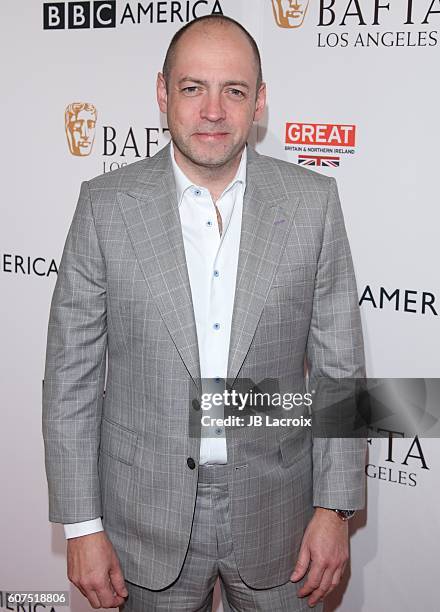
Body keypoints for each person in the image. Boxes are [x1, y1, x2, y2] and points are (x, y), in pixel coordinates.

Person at [42, 14, 366, 612]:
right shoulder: (104, 207)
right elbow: (71, 379)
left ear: (259, 101)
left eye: (234, 91)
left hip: (283, 518)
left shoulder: (313, 204)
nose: (213, 110)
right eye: (193, 88)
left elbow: (338, 369)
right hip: (141, 519)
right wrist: (83, 528)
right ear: (163, 93)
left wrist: (335, 507)